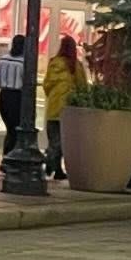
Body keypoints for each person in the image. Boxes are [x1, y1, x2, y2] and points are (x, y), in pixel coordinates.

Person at [42, 35, 86, 181]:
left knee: (53, 139)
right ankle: (52, 163)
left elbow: (46, 85)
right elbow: (82, 87)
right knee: (62, 140)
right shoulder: (76, 66)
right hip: (68, 108)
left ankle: (55, 166)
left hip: (53, 107)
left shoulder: (53, 63)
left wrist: (53, 96)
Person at [0, 33, 26, 168]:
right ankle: (9, 160)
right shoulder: (23, 63)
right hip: (17, 97)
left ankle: (7, 159)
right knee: (15, 130)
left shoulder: (2, 60)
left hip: (4, 97)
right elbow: (27, 84)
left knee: (10, 129)